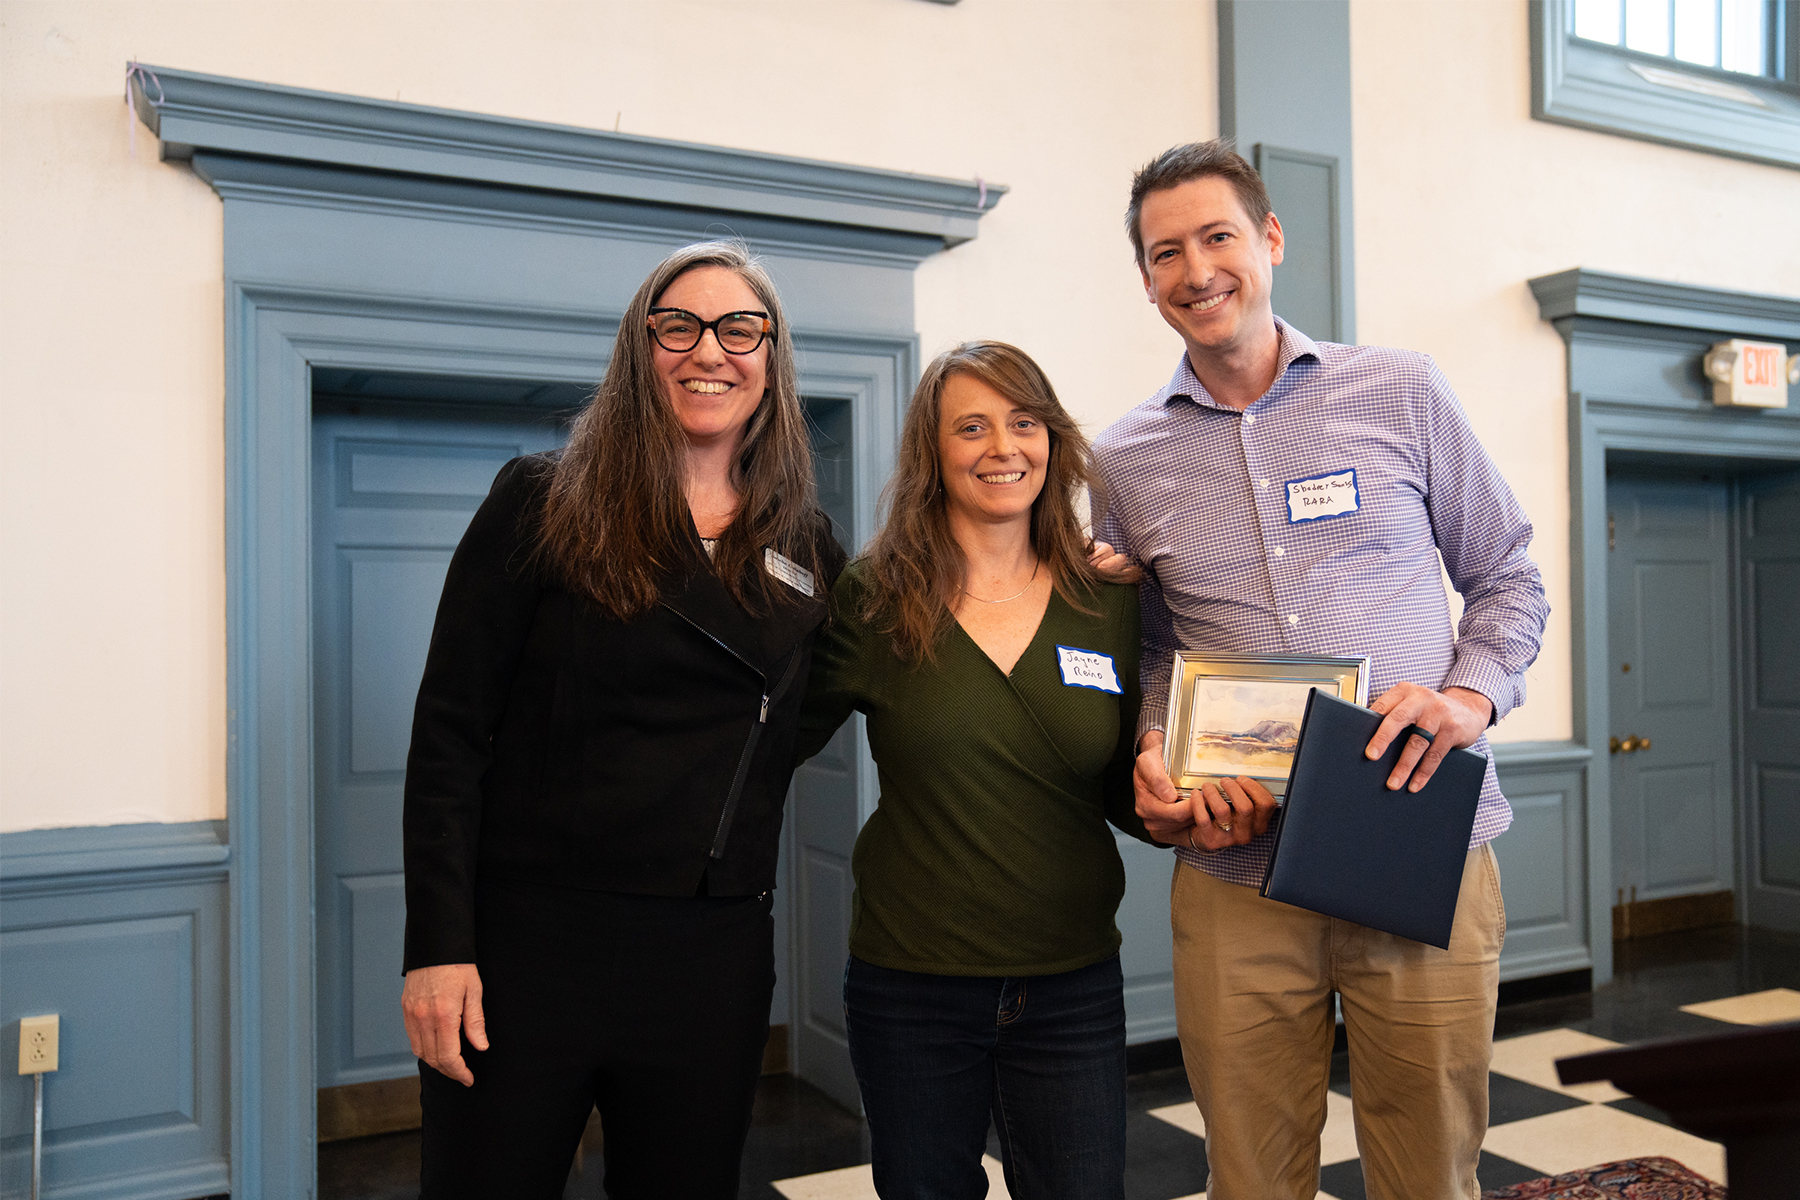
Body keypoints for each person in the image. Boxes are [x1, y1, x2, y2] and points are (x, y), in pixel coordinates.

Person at [1092, 142, 1550, 1200]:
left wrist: (1468, 698)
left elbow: (1507, 576)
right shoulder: (1123, 459)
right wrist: (1157, 745)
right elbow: (1152, 644)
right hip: (1236, 864)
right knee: (1251, 1177)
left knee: (1429, 1171)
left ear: (1271, 239)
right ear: (1147, 279)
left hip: (1415, 833)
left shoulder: (1399, 389)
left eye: (1218, 237)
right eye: (1166, 253)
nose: (1196, 270)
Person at [398, 240, 845, 1199]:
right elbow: (448, 739)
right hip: (531, 945)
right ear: (640, 351)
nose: (709, 350)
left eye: (740, 329)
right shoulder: (542, 500)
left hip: (711, 953)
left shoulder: (802, 540)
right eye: (678, 326)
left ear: (772, 359)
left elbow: (819, 701)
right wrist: (437, 949)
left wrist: (1071, 567)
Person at [796, 341, 1154, 1200]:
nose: (1003, 447)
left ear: (1052, 439)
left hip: (1070, 979)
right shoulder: (876, 596)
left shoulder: (1106, 598)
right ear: (933, 450)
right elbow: (771, 742)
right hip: (912, 982)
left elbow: (1123, 784)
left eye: (1024, 422)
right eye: (972, 427)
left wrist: (1184, 809)